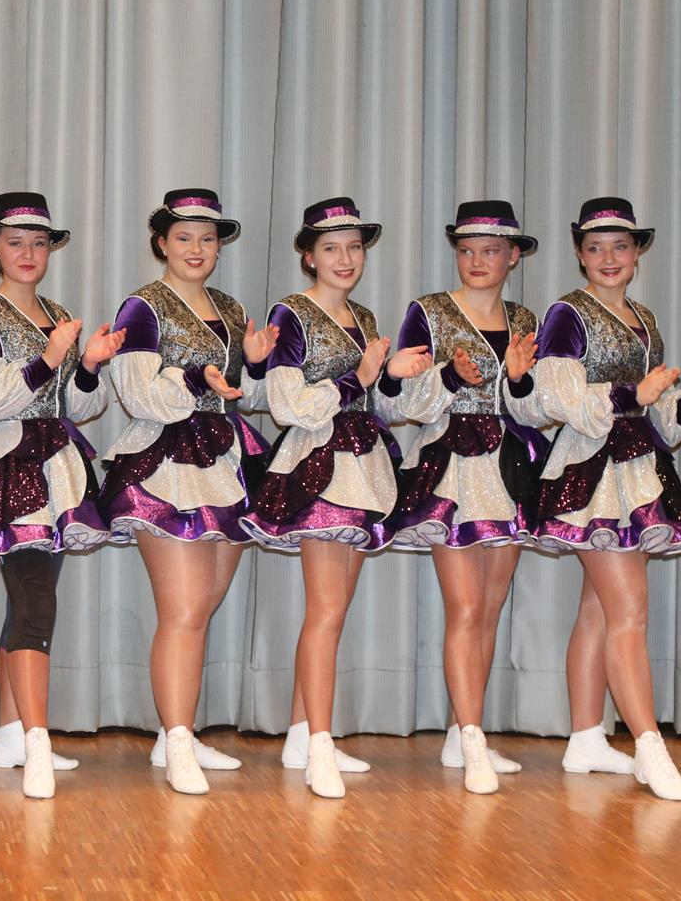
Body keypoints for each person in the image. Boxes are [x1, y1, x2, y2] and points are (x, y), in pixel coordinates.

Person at [531, 198, 681, 801]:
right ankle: (649, 746)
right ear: (580, 254)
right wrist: (630, 396)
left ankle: (585, 738)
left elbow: (654, 411)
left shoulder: (644, 318)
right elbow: (560, 400)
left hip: (636, 470)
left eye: (620, 246)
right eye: (595, 247)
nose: (608, 257)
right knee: (629, 611)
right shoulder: (566, 314)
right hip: (592, 471)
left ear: (637, 252)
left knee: (600, 607)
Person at [0, 192, 123, 800]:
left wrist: (89, 366)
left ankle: (13, 734)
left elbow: (81, 405)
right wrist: (50, 357)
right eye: (15, 242)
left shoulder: (58, 312)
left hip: (59, 468)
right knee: (35, 601)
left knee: (29, 601)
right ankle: (38, 741)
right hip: (9, 465)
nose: (28, 253)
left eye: (39, 243)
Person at [244, 198, 426, 799]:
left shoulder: (364, 316)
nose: (345, 259)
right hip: (318, 469)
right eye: (331, 248)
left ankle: (304, 734)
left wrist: (390, 376)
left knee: (335, 610)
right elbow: (289, 405)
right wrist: (361, 377)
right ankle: (319, 743)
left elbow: (379, 403)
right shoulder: (291, 313)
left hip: (362, 465)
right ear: (309, 256)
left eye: (353, 247)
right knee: (324, 611)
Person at [99, 190, 276, 794]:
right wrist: (196, 378)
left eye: (207, 238)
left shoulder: (230, 307)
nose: (197, 248)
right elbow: (139, 396)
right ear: (162, 243)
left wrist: (255, 366)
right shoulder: (142, 307)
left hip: (228, 460)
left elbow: (244, 393)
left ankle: (175, 732)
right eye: (183, 237)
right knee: (182, 610)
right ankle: (177, 740)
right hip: (168, 461)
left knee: (202, 605)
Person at [384, 200, 549, 794]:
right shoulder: (428, 312)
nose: (478, 261)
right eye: (467, 250)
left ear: (513, 256)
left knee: (492, 605)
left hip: (510, 466)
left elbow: (537, 408)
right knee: (466, 608)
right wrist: (452, 377)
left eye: (491, 250)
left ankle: (462, 731)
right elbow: (401, 403)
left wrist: (520, 379)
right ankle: (475, 737)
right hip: (452, 463)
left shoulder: (526, 318)